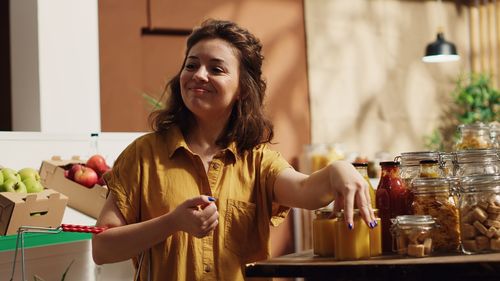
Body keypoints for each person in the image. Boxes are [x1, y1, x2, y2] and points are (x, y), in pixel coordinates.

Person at [92, 19, 376, 281]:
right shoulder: (143, 156)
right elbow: (102, 247)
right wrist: (172, 222)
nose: (199, 75)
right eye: (191, 65)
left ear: (242, 88)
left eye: (216, 69)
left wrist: (339, 169)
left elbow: (307, 191)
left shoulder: (258, 161)